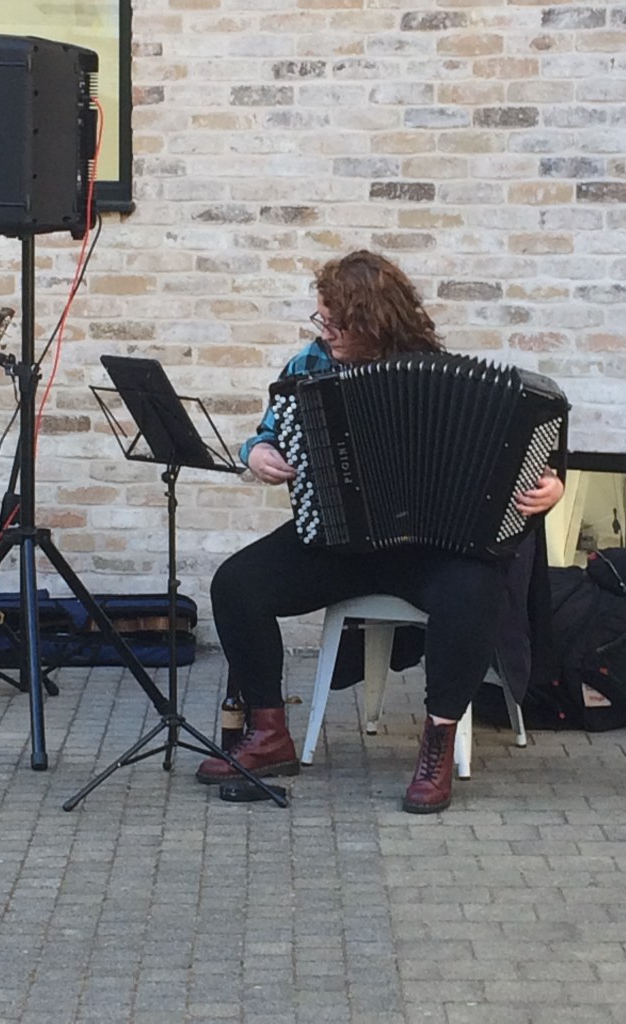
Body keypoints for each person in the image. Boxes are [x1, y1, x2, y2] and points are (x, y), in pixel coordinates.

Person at [196, 250, 564, 813]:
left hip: (431, 550)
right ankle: (270, 733)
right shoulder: (310, 366)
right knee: (237, 584)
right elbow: (264, 434)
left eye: (336, 322)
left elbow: (524, 464)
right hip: (339, 540)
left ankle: (436, 744)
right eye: (322, 319)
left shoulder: (437, 372)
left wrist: (550, 488)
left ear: (372, 321)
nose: (326, 332)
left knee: (476, 590)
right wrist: (259, 453)